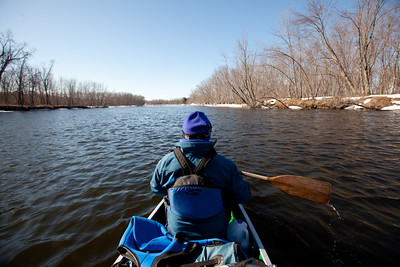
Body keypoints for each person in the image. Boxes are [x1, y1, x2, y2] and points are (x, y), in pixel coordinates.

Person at [150, 111, 251, 239]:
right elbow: (243, 196)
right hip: (216, 231)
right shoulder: (226, 165)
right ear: (209, 133)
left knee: (167, 196)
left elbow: (156, 190)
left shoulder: (164, 162)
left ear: (183, 134)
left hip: (177, 232)